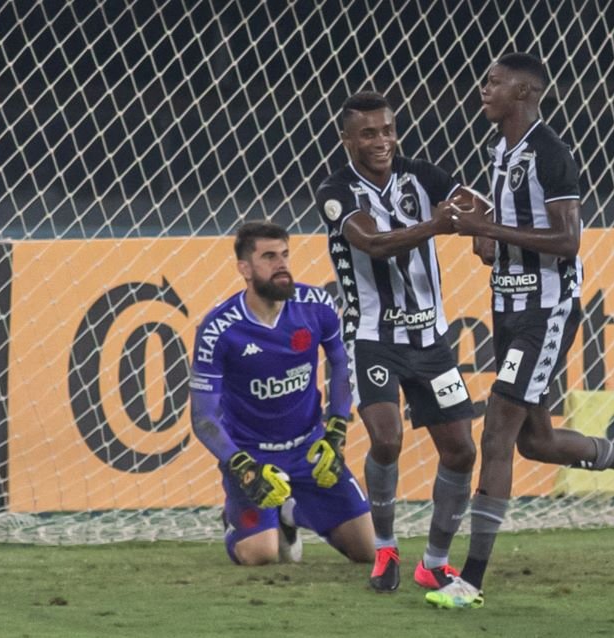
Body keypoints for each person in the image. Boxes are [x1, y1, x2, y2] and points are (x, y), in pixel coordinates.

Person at [425, 53, 614, 609]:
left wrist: (487, 226)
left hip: (546, 309)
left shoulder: (549, 154)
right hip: (507, 307)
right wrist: (487, 242)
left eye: (494, 82)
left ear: (525, 93)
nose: (483, 89)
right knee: (535, 441)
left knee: (497, 433)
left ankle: (469, 582)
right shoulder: (500, 151)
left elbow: (566, 241)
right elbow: (508, 236)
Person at [314, 91, 477, 593]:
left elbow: (473, 205)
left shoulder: (422, 175)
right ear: (347, 140)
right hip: (373, 339)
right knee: (387, 438)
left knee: (461, 452)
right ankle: (385, 551)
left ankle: (434, 560)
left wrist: (484, 233)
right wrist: (437, 224)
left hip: (431, 340)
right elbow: (375, 244)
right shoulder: (336, 190)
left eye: (387, 130)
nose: (382, 141)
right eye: (368, 133)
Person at [189, 221, 374, 566]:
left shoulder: (316, 306)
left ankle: (290, 512)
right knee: (261, 555)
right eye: (269, 257)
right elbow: (203, 418)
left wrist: (336, 431)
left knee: (368, 552)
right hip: (252, 456)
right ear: (245, 268)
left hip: (309, 450)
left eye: (285, 255)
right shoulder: (219, 329)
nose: (282, 265)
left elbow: (341, 367)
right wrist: (241, 466)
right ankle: (237, 523)